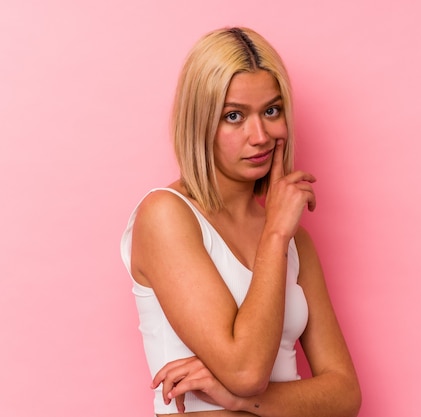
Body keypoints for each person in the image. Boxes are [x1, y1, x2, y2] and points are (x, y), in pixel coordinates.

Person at [120, 27, 361, 416]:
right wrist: (276, 233)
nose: (260, 135)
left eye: (271, 110)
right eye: (234, 116)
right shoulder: (166, 216)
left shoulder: (295, 240)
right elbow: (246, 370)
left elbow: (346, 394)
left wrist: (244, 400)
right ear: (200, 124)